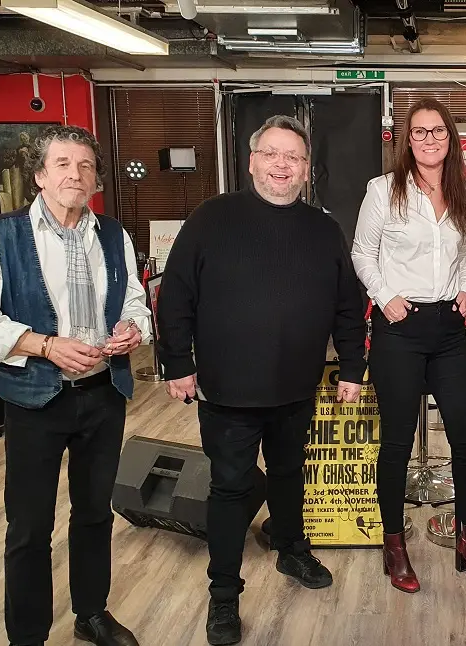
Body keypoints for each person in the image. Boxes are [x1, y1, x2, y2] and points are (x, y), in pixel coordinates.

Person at [157, 115, 366, 646]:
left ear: (306, 169)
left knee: (290, 473)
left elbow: (347, 306)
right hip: (227, 390)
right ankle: (224, 596)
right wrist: (177, 362)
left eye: (292, 158)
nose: (282, 166)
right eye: (271, 154)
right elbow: (176, 296)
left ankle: (291, 549)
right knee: (230, 489)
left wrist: (351, 367)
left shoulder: (323, 229)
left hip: (297, 385)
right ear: (251, 162)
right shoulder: (211, 219)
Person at [0, 125, 149, 646]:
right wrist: (43, 345)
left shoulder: (114, 235)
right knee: (29, 527)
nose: (75, 175)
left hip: (103, 396)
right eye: (62, 164)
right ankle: (28, 635)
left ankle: (91, 613)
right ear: (39, 176)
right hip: (34, 400)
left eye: (85, 166)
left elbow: (133, 299)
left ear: (96, 180)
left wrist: (134, 327)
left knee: (93, 514)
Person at [352, 97, 466, 593]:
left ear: (449, 138)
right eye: (420, 131)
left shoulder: (460, 189)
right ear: (406, 139)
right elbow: (362, 252)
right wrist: (385, 297)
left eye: (438, 131)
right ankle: (394, 548)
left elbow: (461, 254)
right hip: (400, 326)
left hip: (449, 328)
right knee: (394, 442)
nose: (429, 139)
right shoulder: (383, 191)